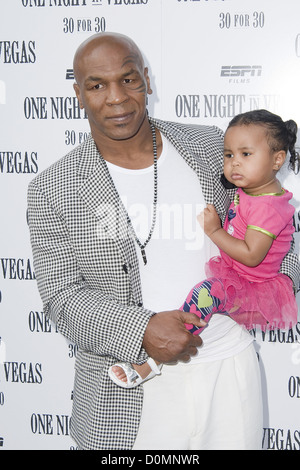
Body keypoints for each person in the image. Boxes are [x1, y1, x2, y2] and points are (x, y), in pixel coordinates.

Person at [27, 32, 300, 450]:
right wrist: (143, 329)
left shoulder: (212, 147)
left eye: (129, 79)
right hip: (127, 391)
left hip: (229, 375)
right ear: (77, 94)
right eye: (97, 85)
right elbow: (62, 298)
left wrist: (266, 291)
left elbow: (282, 232)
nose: (116, 97)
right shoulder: (53, 187)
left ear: (148, 80)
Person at [109, 110, 299, 389]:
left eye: (246, 155)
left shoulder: (268, 207)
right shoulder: (253, 189)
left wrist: (214, 231)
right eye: (229, 155)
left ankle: (151, 363)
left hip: (252, 286)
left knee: (205, 294)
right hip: (239, 275)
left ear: (277, 159)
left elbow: (251, 254)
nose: (234, 163)